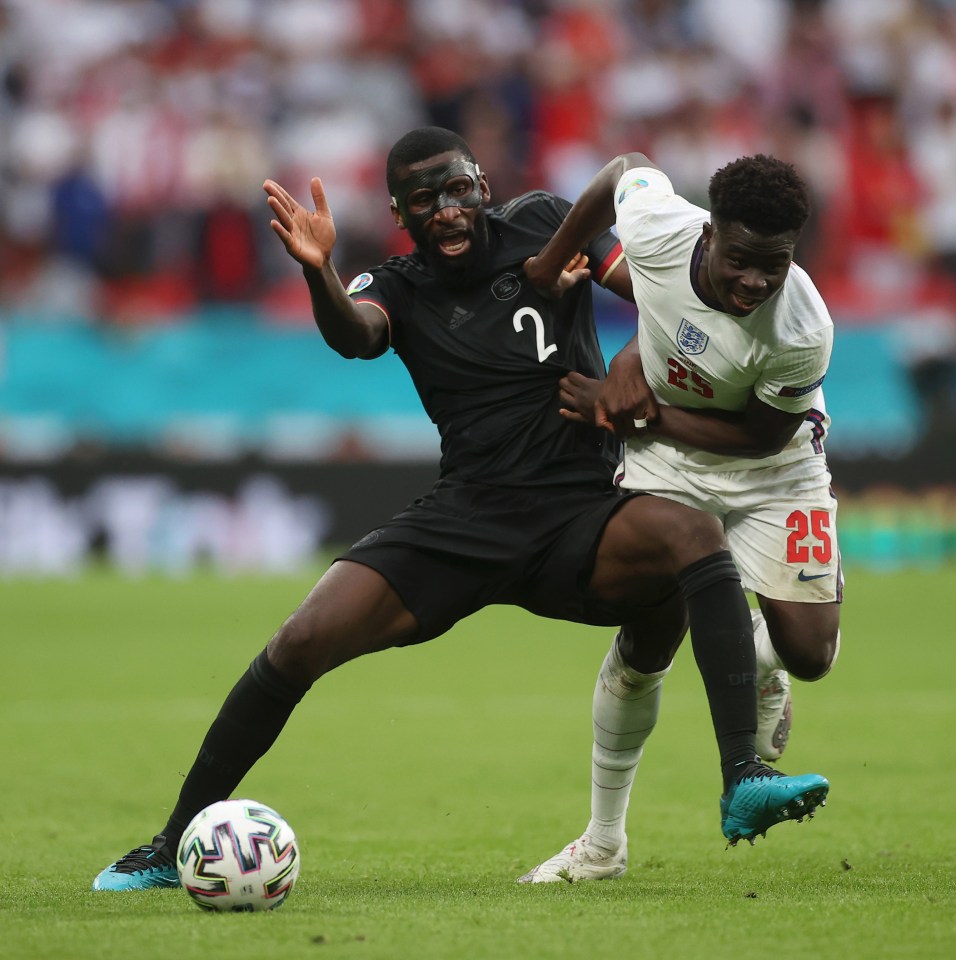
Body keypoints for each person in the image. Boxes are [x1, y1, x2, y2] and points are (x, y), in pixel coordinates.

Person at [91, 128, 828, 892]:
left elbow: (661, 296)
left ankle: (740, 771)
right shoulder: (398, 284)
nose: (446, 212)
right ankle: (172, 844)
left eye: (457, 190)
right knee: (299, 640)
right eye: (423, 200)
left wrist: (628, 362)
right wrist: (322, 278)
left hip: (581, 512)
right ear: (398, 213)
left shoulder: (545, 223)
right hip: (464, 518)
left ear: (481, 184)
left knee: (689, 534)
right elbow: (356, 335)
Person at [518, 150, 842, 882]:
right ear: (709, 233)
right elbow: (620, 170)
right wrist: (551, 260)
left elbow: (761, 437)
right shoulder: (660, 225)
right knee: (648, 637)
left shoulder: (803, 327)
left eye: (776, 264)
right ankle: (602, 843)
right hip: (669, 465)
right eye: (741, 260)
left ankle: (757, 654)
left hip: (774, 469)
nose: (756, 281)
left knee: (812, 656)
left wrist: (634, 417)